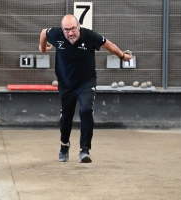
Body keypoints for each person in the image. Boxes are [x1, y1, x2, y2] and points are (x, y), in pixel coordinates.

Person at [39, 14, 132, 163]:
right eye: (66, 30)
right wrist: (43, 49)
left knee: (86, 110)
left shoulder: (89, 36)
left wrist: (122, 56)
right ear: (62, 29)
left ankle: (85, 150)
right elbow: (43, 32)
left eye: (73, 29)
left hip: (86, 82)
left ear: (79, 26)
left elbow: (109, 45)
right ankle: (64, 145)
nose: (70, 33)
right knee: (66, 118)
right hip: (66, 83)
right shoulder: (56, 34)